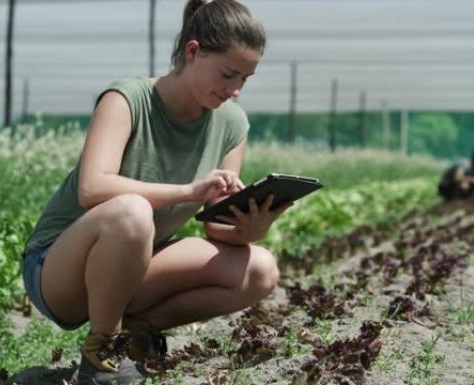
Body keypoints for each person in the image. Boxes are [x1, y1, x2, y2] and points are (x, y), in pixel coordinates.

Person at [20, 1, 285, 384]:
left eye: (245, 79)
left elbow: (216, 228)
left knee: (259, 269)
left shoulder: (231, 124)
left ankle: (134, 333)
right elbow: (92, 188)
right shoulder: (128, 99)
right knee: (131, 211)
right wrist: (187, 190)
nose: (235, 90)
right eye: (228, 75)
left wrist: (251, 225)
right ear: (193, 52)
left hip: (133, 263)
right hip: (57, 270)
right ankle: (101, 354)